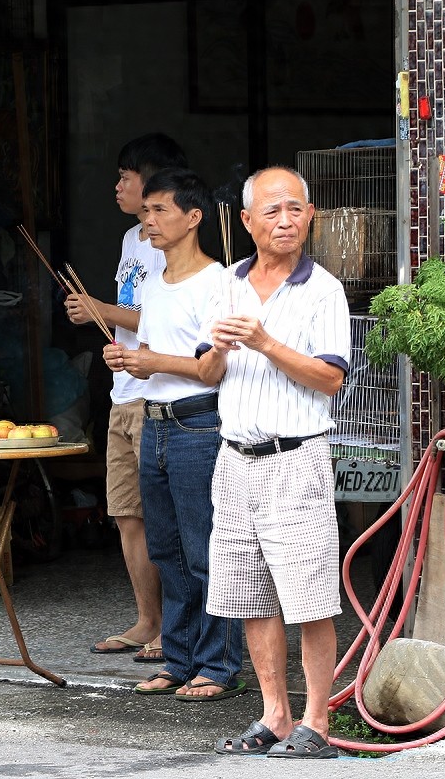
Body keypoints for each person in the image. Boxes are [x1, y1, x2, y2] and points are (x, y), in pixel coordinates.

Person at [198, 167, 349, 757]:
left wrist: (264, 342)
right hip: (233, 460)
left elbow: (331, 378)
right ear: (246, 222)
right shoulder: (226, 285)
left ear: (310, 216)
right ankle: (276, 715)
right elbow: (207, 374)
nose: (285, 221)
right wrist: (220, 349)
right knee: (248, 594)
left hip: (296, 458)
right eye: (272, 211)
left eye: (295, 210)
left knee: (309, 596)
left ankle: (317, 723)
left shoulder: (323, 289)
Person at [104, 167, 244, 701]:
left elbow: (212, 368)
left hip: (199, 422)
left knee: (206, 548)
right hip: (155, 421)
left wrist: (150, 360)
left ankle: (218, 665)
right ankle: (179, 658)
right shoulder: (155, 284)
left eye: (160, 210)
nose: (149, 221)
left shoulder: (217, 282)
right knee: (166, 548)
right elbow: (156, 358)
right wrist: (127, 359)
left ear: (193, 217)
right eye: (146, 211)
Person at [67, 133, 187, 661]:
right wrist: (99, 315)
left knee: (164, 516)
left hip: (157, 394)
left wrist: (102, 310)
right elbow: (129, 315)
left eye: (126, 176)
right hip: (124, 391)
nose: (117, 185)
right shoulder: (128, 239)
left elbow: (162, 320)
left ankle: (174, 631)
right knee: (126, 514)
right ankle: (147, 620)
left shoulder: (172, 244)